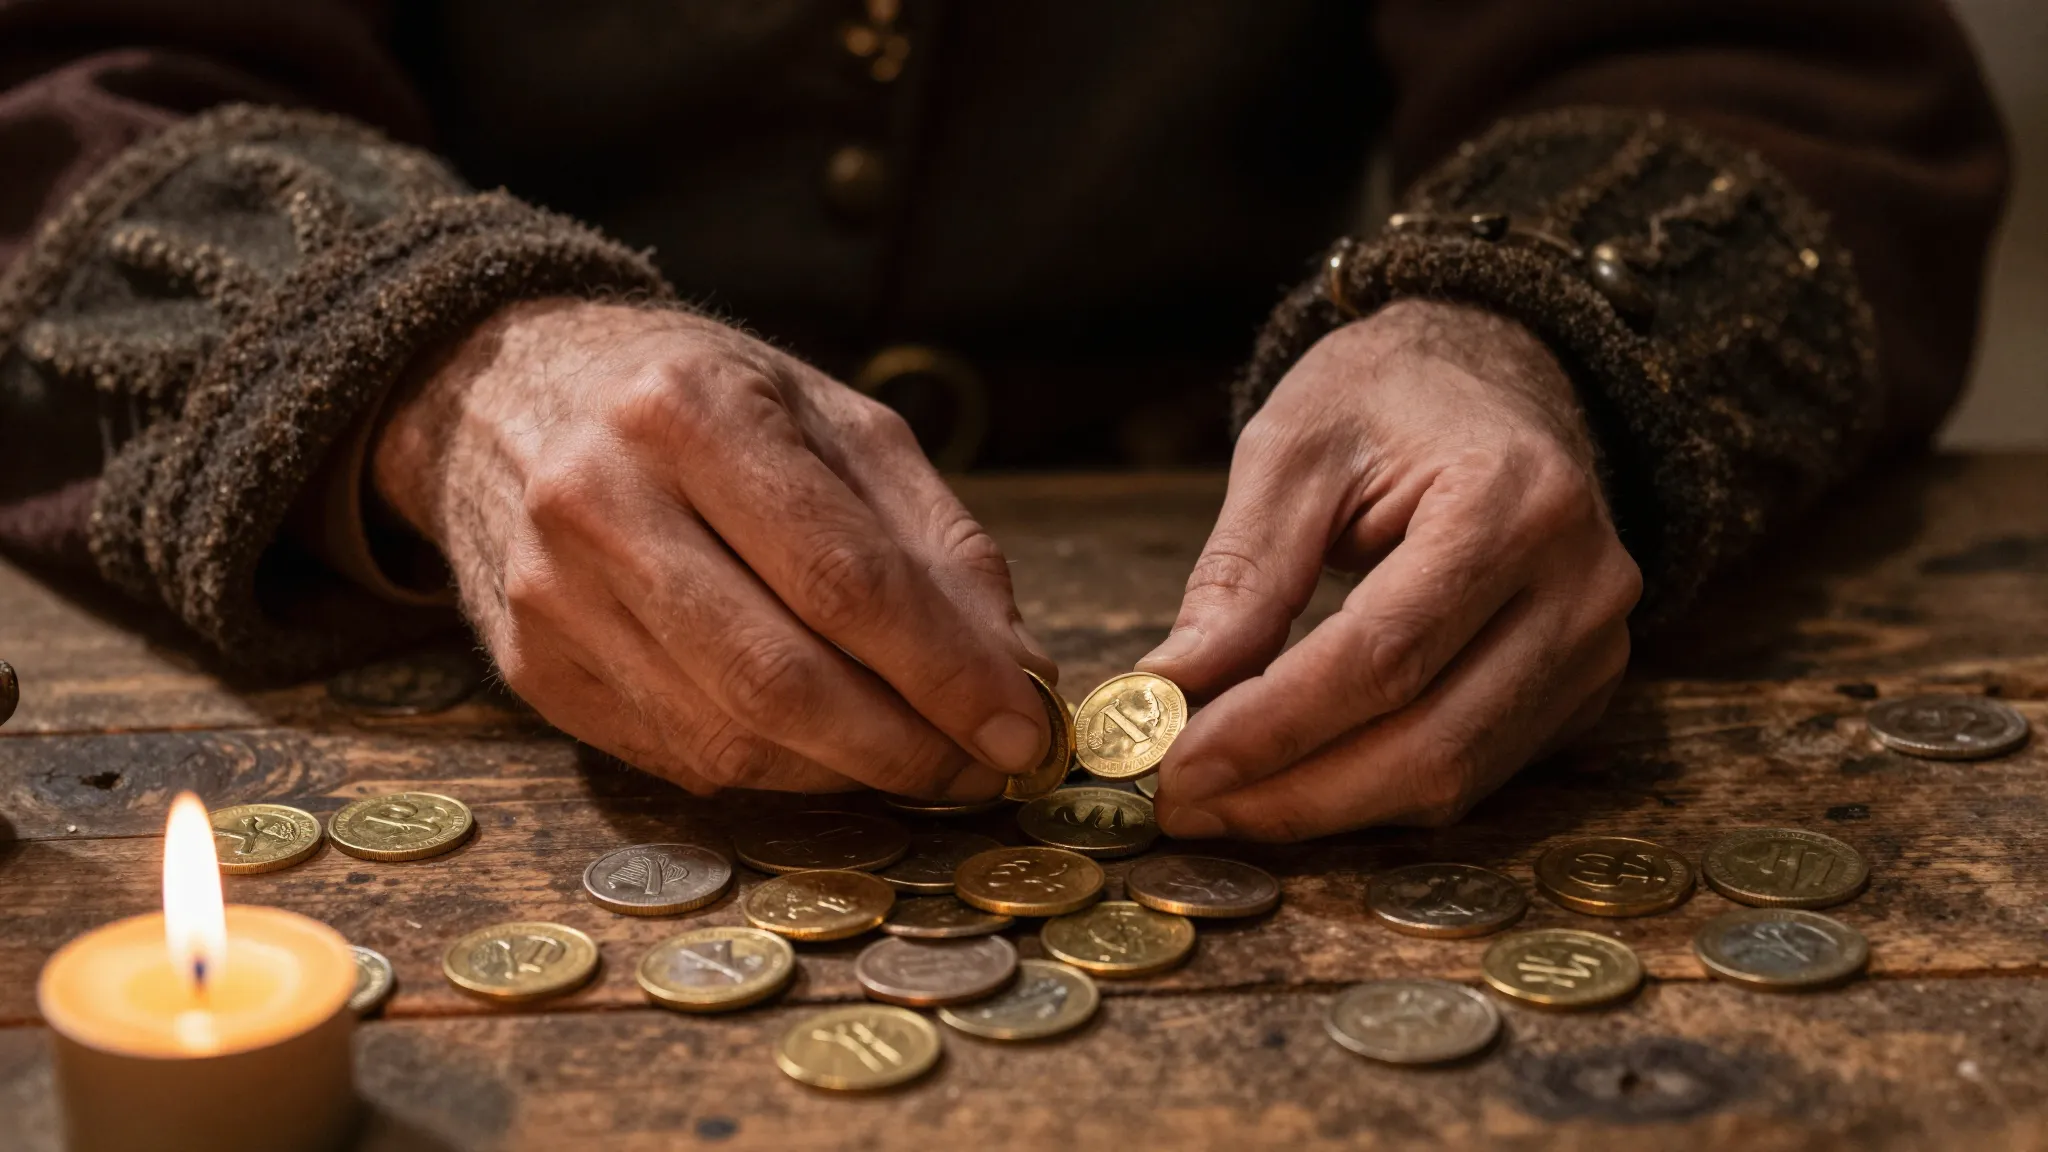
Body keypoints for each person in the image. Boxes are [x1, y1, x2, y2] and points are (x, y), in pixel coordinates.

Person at [0, 2, 2008, 841]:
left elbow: (1749, 50)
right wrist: (446, 373)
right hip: (415, 603)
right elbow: (67, 58)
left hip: (1264, 575)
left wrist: (1519, 333)